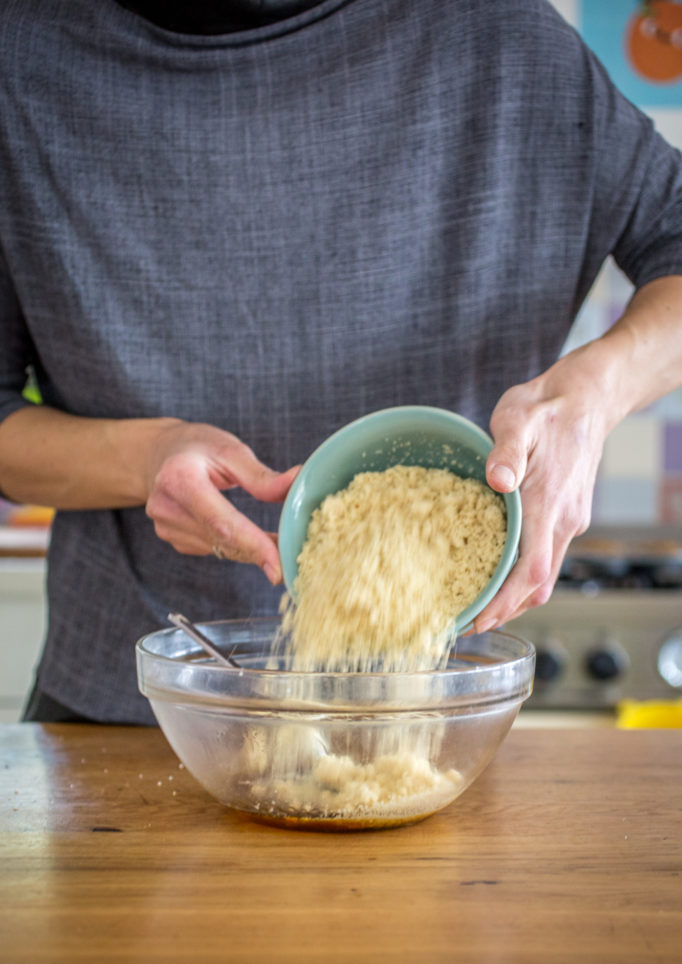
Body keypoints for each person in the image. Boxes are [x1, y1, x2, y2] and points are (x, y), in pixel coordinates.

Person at [1, 0, 681, 724]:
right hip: (139, 710)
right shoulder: (23, 56)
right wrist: (146, 460)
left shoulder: (498, 37)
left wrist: (596, 395)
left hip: (438, 700)